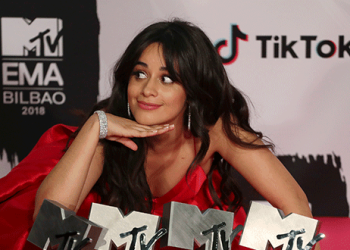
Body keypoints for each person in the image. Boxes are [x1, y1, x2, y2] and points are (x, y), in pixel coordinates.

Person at [0, 19, 316, 250]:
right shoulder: (106, 134)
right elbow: (49, 223)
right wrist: (97, 126)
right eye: (140, 74)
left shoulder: (214, 128)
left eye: (167, 79)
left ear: (191, 90)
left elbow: (298, 209)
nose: (147, 90)